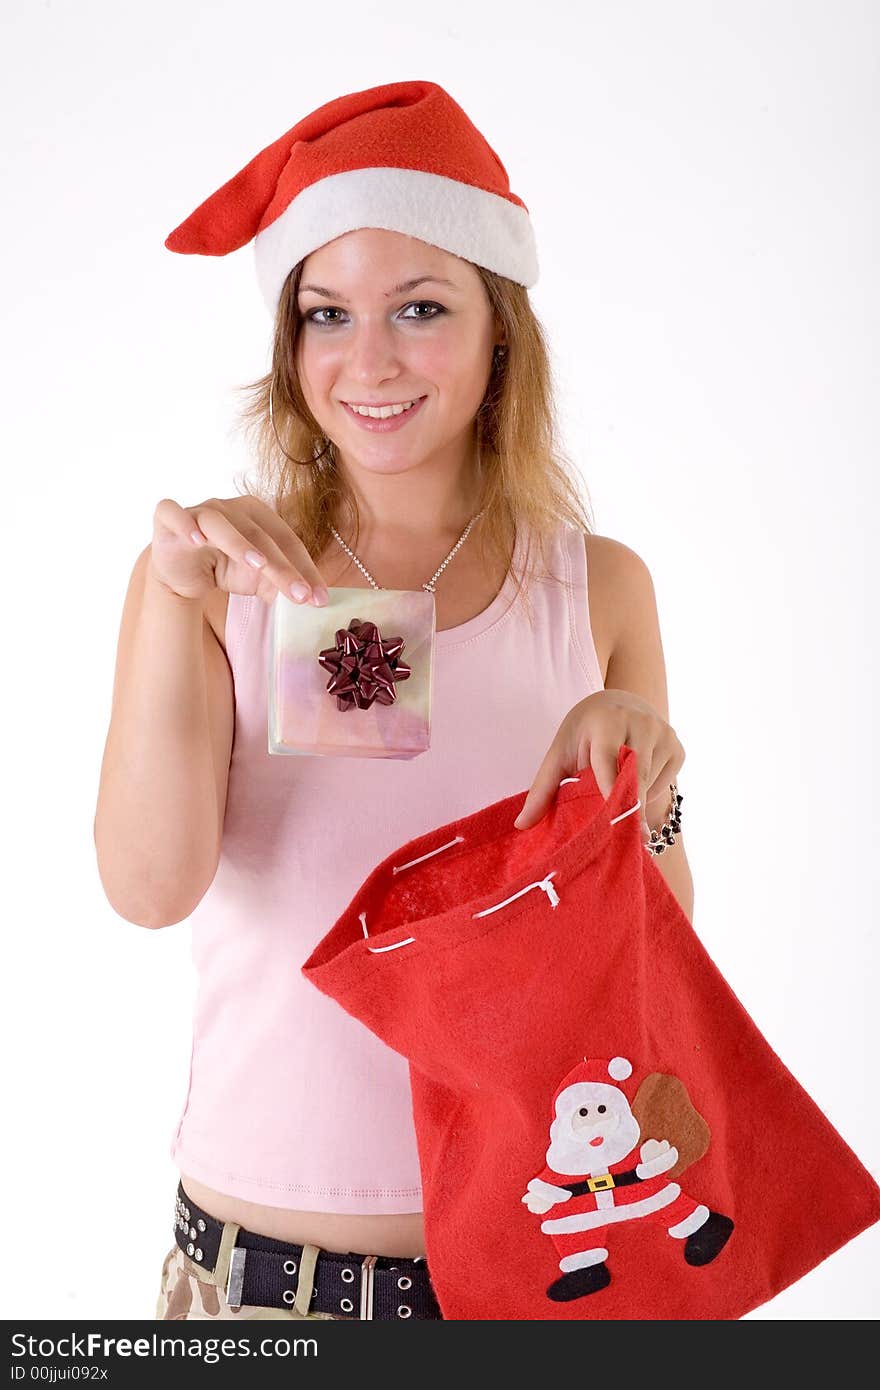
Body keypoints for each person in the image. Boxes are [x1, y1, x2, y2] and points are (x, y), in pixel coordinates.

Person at [94, 79, 690, 1322]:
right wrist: (165, 595)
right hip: (254, 1284)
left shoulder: (598, 590)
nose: (367, 362)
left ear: (500, 336)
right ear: (290, 344)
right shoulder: (213, 587)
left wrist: (640, 787)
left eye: (420, 308)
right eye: (327, 315)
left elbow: (651, 974)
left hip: (530, 1271)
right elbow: (148, 889)